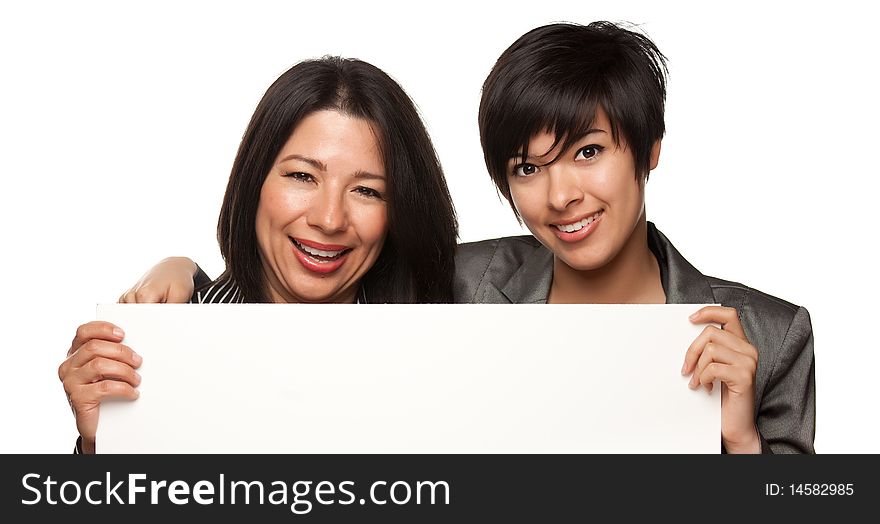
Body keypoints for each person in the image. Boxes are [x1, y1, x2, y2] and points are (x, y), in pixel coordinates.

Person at [115, 22, 816, 454]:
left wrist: (742, 447)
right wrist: (187, 285)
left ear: (649, 149)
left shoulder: (770, 335)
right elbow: (306, 291)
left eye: (589, 152)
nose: (562, 193)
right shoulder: (451, 284)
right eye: (527, 168)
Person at [58, 57, 458, 453]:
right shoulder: (158, 346)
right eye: (303, 176)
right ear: (255, 182)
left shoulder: (447, 349)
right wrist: (103, 446)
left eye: (367, 190)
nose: (330, 218)